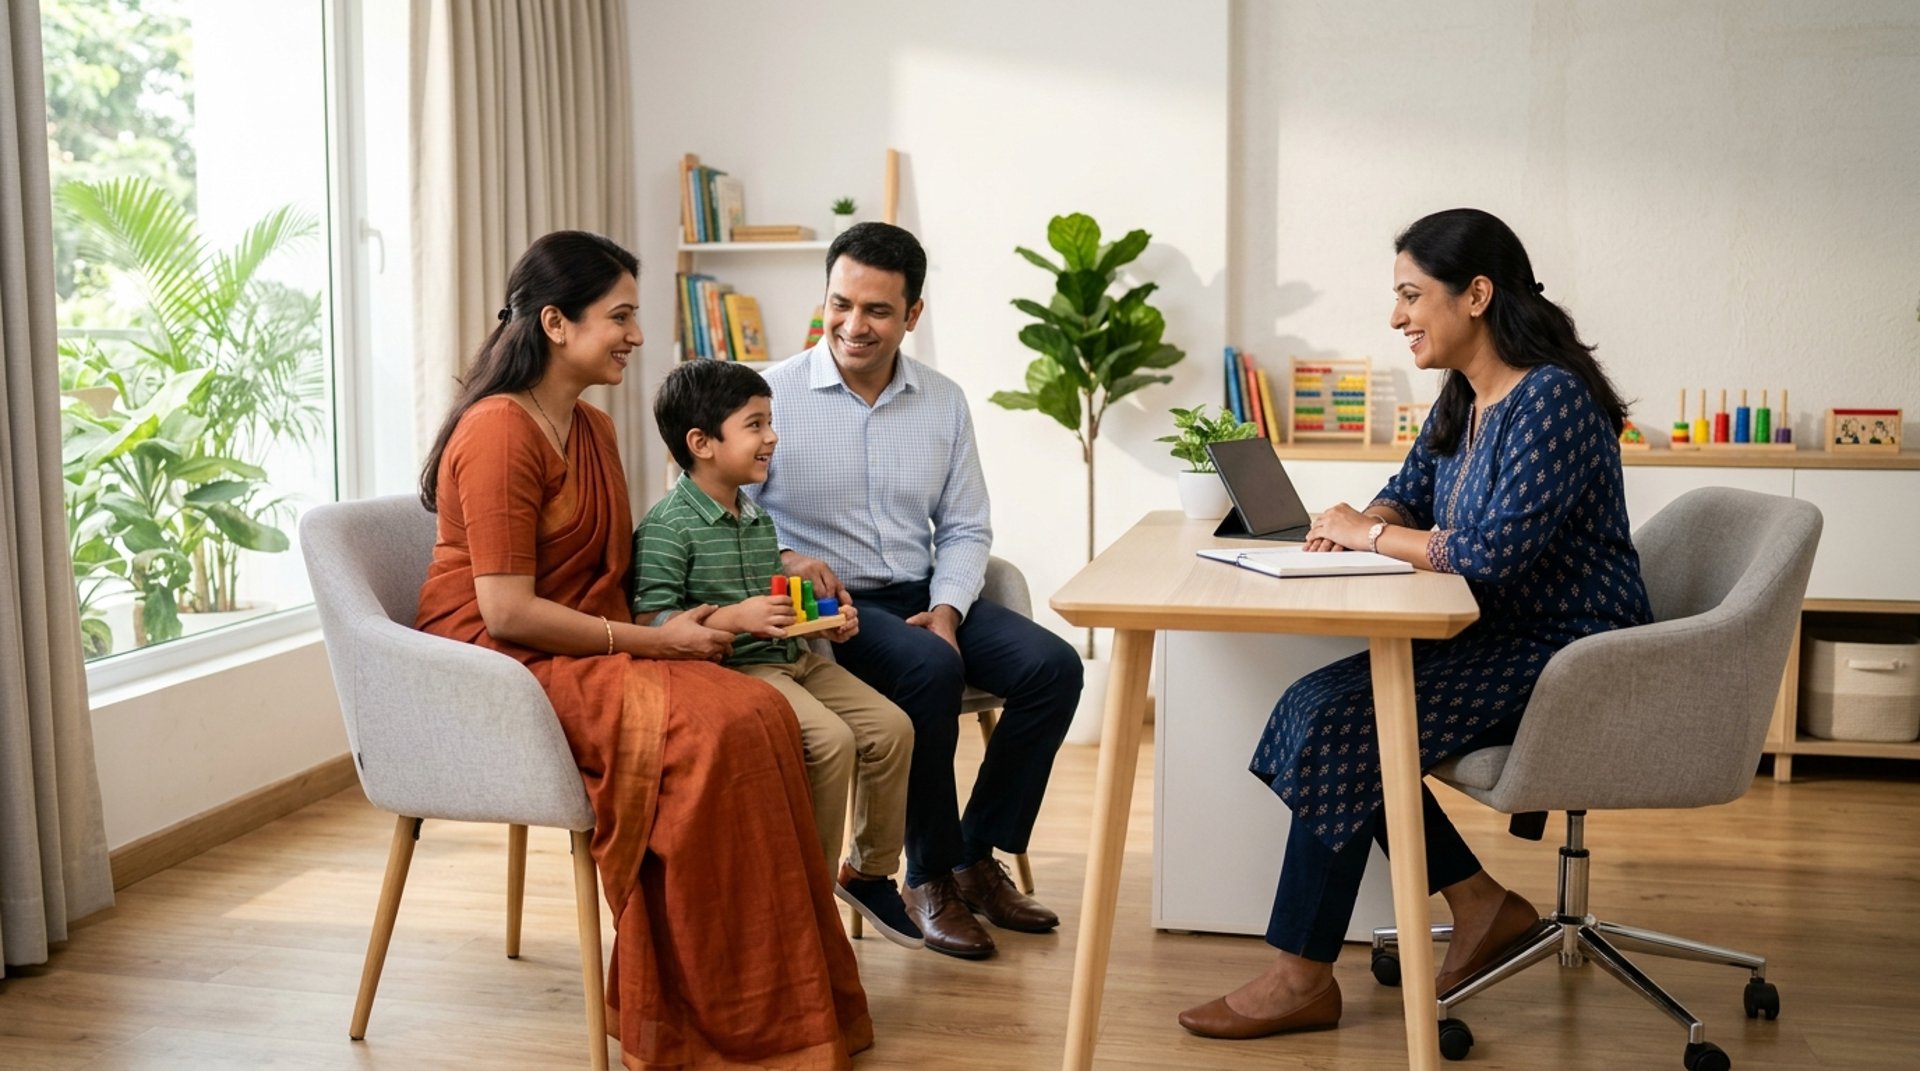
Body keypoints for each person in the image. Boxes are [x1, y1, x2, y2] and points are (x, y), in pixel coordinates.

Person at [1178, 208, 1653, 1039]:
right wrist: (1358, 521)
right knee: (1318, 709)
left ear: (1476, 294)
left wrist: (1370, 535)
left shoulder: (1551, 399)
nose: (1397, 316)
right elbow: (1411, 488)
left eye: (1410, 294)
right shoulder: (1468, 395)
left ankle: (1301, 975)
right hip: (1500, 632)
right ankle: (1479, 903)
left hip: (1570, 649)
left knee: (1340, 726)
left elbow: (1494, 551)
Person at [413, 231, 872, 1068]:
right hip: (499, 660)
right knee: (717, 732)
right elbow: (509, 611)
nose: (636, 334)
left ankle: (774, 998)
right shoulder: (497, 433)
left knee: (761, 711)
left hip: (586, 636)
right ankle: (699, 1011)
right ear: (556, 322)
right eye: (620, 316)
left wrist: (725, 613)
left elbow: (612, 575)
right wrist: (656, 644)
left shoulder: (589, 428)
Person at [749, 222, 1084, 960]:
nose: (853, 325)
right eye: (841, 304)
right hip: (826, 609)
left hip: (920, 590)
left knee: (1054, 668)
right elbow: (717, 506)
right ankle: (924, 876)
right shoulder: (768, 395)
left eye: (876, 310)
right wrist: (786, 553)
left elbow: (966, 525)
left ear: (913, 315)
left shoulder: (942, 401)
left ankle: (974, 853)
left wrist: (950, 606)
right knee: (931, 669)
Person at [632, 359, 923, 949]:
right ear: (702, 443)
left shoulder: (756, 515)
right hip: (738, 670)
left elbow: (776, 602)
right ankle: (807, 897)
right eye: (756, 425)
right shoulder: (667, 527)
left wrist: (826, 621)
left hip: (795, 659)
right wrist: (730, 619)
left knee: (894, 728)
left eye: (771, 422)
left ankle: (867, 873)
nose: (772, 437)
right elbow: (650, 622)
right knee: (831, 741)